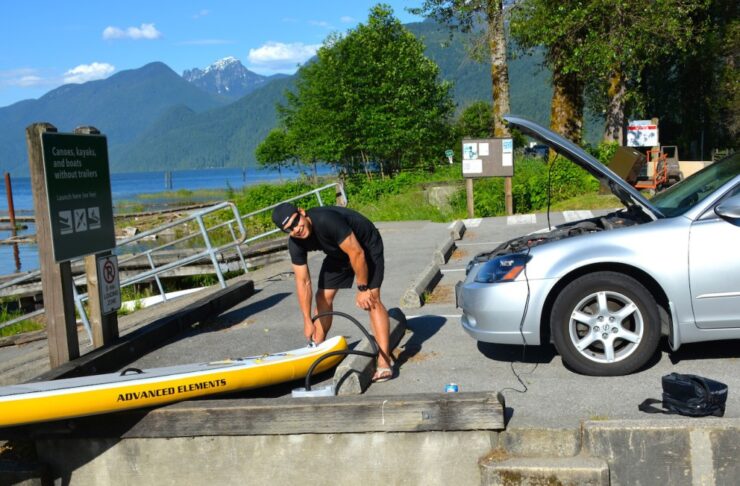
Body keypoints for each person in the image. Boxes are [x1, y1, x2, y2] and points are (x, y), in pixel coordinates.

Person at [271, 202, 393, 382]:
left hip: (365, 247)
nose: (296, 229)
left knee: (371, 300)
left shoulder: (326, 220)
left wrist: (363, 288)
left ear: (302, 212)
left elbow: (357, 253)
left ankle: (384, 361)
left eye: (296, 222)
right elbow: (303, 281)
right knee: (323, 297)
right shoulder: (295, 243)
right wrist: (306, 320)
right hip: (337, 253)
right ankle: (317, 349)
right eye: (289, 228)